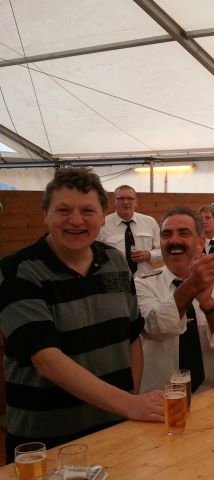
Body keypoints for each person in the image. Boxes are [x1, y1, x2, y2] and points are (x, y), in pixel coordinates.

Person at [0, 168, 163, 461]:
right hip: (46, 443)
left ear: (102, 217)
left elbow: (131, 338)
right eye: (63, 210)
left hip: (115, 429)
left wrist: (127, 402)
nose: (76, 220)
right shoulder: (17, 270)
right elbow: (46, 361)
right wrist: (129, 404)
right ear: (45, 214)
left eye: (87, 211)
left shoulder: (115, 261)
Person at [135, 207, 214, 394]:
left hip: (208, 397)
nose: (174, 240)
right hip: (157, 399)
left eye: (183, 233)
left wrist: (208, 304)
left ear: (200, 242)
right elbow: (154, 328)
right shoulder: (142, 284)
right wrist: (191, 286)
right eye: (166, 235)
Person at [98, 185, 161, 276]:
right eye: (121, 198)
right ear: (114, 201)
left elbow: (162, 251)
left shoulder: (150, 222)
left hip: (146, 279)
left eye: (130, 198)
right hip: (115, 279)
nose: (125, 202)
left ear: (136, 202)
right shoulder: (102, 224)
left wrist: (150, 255)